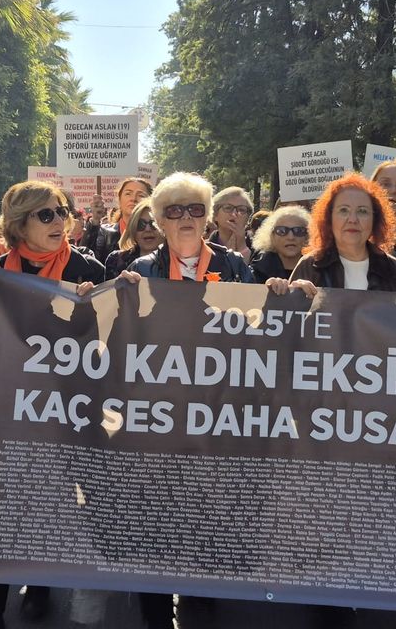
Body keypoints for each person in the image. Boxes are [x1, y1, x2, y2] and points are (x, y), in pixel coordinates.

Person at [0, 180, 106, 629]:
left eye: (62, 212)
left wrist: (107, 301)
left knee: (49, 501)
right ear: (19, 224)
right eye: (46, 214)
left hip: (63, 409)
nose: (59, 222)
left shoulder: (88, 268)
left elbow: (111, 341)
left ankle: (39, 584)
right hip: (5, 408)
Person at [127, 172, 253, 628]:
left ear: (207, 218)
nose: (186, 218)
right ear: (159, 221)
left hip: (215, 412)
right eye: (174, 210)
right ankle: (156, 610)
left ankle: (199, 593)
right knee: (154, 513)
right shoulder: (140, 271)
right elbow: (110, 337)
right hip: (157, 414)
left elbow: (258, 328)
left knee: (208, 507)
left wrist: (283, 297)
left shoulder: (234, 267)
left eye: (195, 209)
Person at [282, 174, 396, 292]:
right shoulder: (310, 266)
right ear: (329, 218)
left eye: (362, 211)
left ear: (375, 219)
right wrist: (283, 292)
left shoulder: (394, 269)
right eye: (343, 210)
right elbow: (290, 309)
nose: (353, 220)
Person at [81, 177, 153, 263]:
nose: (133, 199)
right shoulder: (104, 232)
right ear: (119, 199)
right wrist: (95, 221)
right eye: (128, 194)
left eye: (141, 195)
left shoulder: (156, 234)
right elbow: (86, 260)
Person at [103, 198, 164, 280]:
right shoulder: (115, 260)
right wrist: (119, 284)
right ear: (133, 229)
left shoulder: (176, 262)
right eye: (140, 224)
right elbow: (108, 288)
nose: (147, 229)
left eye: (153, 223)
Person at [248, 206, 311, 282]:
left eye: (298, 231)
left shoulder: (318, 270)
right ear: (271, 236)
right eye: (281, 231)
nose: (290, 237)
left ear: (307, 236)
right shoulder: (258, 270)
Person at [207, 186, 254, 262]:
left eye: (241, 209)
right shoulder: (203, 249)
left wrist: (242, 248)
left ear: (247, 218)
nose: (234, 214)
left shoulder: (260, 251)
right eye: (228, 208)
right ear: (215, 215)